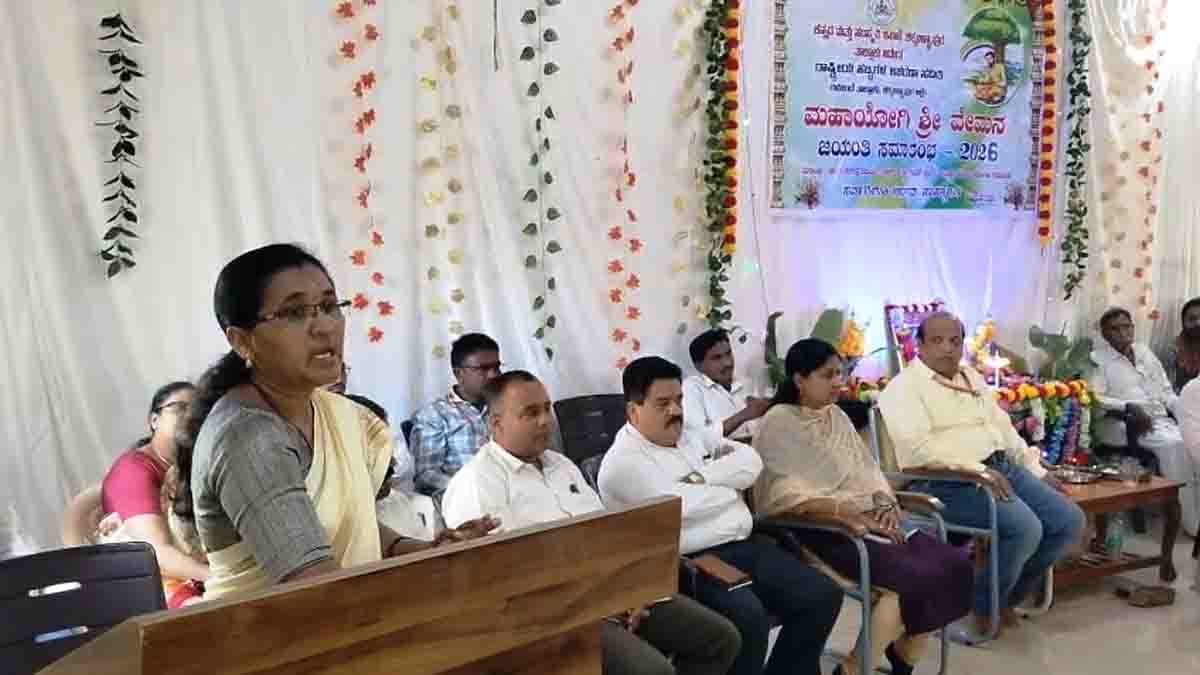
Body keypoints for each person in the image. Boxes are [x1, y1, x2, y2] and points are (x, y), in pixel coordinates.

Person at [174, 244, 495, 600]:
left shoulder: (337, 413)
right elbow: (314, 589)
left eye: (329, 307)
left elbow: (355, 529)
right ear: (242, 340)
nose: (325, 326)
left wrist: (432, 554)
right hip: (267, 643)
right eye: (295, 312)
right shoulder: (248, 436)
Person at [443, 370, 741, 675]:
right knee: (653, 672)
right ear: (496, 423)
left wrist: (629, 591)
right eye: (530, 413)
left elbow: (605, 535)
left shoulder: (561, 465)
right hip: (555, 617)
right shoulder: (477, 483)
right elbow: (503, 582)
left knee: (721, 639)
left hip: (612, 590)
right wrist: (603, 602)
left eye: (547, 409)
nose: (546, 421)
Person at [598, 356, 843, 675]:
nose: (676, 411)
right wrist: (727, 487)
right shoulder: (622, 463)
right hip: (690, 563)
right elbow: (680, 507)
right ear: (634, 410)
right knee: (749, 620)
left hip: (746, 544)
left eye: (679, 400)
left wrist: (699, 478)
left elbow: (750, 462)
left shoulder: (687, 435)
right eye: (663, 403)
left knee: (823, 595)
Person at [754, 339, 972, 675]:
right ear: (799, 380)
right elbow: (783, 495)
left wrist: (884, 500)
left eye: (840, 374)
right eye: (828, 375)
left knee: (951, 564)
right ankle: (854, 669)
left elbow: (867, 471)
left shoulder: (836, 416)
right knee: (910, 583)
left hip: (868, 520)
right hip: (816, 528)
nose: (838, 383)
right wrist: (846, 514)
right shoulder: (778, 421)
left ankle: (904, 656)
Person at [877, 312, 1084, 640]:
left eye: (955, 341)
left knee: (1068, 520)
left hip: (999, 468)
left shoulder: (970, 376)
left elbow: (1001, 427)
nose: (947, 348)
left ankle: (1004, 599)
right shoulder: (903, 389)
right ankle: (986, 607)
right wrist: (978, 472)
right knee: (1025, 528)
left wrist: (1036, 469)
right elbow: (918, 452)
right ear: (918, 346)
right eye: (937, 340)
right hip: (946, 480)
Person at [99, 381, 209, 608]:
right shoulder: (133, 470)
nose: (190, 416)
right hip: (157, 586)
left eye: (198, 409)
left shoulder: (195, 464)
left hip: (198, 573)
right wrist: (220, 579)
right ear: (154, 420)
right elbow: (156, 553)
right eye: (180, 408)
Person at [1092, 307, 1199, 535]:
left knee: (1194, 439)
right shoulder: (1097, 359)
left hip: (1160, 420)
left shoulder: (1144, 351)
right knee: (1176, 446)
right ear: (1104, 334)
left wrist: (1186, 411)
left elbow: (1166, 391)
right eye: (1115, 328)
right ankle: (1192, 523)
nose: (1122, 332)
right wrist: (1128, 406)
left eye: (1126, 326)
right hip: (1124, 424)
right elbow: (1095, 398)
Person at [410, 333, 501, 498]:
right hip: (467, 503)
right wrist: (468, 489)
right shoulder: (434, 415)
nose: (493, 375)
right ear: (459, 373)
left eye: (496, 367)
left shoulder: (506, 405)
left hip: (512, 492)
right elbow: (426, 475)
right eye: (483, 369)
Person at [683, 329, 770, 443]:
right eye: (717, 358)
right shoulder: (692, 389)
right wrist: (745, 414)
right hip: (727, 458)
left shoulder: (744, 383)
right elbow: (699, 438)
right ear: (698, 366)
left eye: (728, 353)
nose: (728, 363)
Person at [1169, 298, 1200, 391]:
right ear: (1183, 322)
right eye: (1191, 319)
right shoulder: (1174, 348)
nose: (1198, 323)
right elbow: (1169, 386)